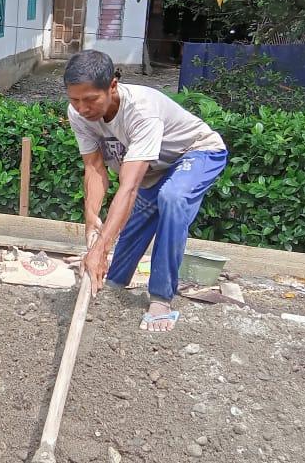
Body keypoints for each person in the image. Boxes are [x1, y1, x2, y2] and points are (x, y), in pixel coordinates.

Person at [64, 50, 228, 332]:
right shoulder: (78, 114)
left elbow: (129, 187)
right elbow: (94, 169)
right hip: (156, 169)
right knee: (122, 250)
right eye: (74, 100)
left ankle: (161, 297)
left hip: (196, 153)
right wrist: (92, 220)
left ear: (112, 86)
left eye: (90, 99)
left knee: (172, 198)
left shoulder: (141, 111)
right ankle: (114, 280)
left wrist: (102, 248)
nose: (82, 108)